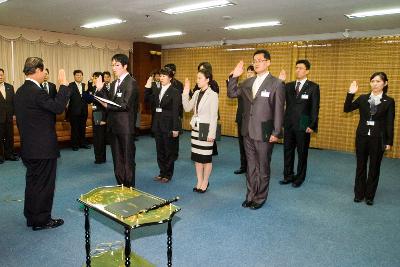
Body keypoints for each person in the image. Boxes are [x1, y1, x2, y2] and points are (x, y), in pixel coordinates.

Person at [14, 57, 71, 230]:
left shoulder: (20, 91)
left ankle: (32, 216)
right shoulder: (36, 92)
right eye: (44, 70)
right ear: (38, 70)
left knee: (33, 183)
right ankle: (42, 220)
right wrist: (63, 86)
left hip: (29, 148)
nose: (45, 73)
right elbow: (58, 107)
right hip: (42, 149)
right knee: (44, 186)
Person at [227, 49, 285, 209]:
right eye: (255, 60)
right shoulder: (248, 82)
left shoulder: (276, 84)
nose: (257, 63)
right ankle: (250, 195)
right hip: (247, 131)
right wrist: (235, 76)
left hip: (265, 132)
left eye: (260, 60)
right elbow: (231, 93)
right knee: (251, 166)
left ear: (268, 62)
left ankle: (260, 198)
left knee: (263, 167)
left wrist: (276, 132)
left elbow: (279, 110)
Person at [344, 72, 395, 206]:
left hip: (378, 139)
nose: (375, 84)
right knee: (360, 166)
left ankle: (369, 195)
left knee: (374, 167)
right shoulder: (362, 98)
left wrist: (389, 141)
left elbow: (390, 122)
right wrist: (350, 93)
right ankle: (359, 194)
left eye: (378, 81)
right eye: (372, 81)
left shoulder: (389, 101)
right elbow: (347, 108)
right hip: (361, 137)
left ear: (385, 83)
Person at [95, 54, 138, 187]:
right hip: (113, 126)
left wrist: (108, 105)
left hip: (125, 127)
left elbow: (126, 105)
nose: (114, 68)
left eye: (117, 65)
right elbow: (109, 100)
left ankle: (129, 186)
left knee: (127, 158)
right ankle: (120, 184)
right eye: (112, 65)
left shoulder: (131, 82)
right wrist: (100, 90)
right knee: (117, 158)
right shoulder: (114, 83)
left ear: (125, 66)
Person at [280, 59, 320, 188]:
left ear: (307, 71)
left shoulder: (313, 87)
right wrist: (281, 83)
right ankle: (288, 175)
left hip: (304, 123)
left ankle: (300, 177)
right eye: (296, 67)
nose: (298, 70)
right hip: (289, 122)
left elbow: (315, 107)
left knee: (302, 152)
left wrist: (312, 125)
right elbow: (280, 99)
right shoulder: (289, 86)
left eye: (301, 68)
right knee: (287, 150)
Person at [183, 69, 218, 193]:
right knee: (197, 158)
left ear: (207, 80)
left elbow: (214, 116)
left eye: (200, 78)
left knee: (206, 158)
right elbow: (187, 108)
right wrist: (186, 91)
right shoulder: (197, 93)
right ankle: (199, 180)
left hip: (206, 128)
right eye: (197, 78)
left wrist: (212, 134)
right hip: (196, 128)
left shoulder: (213, 95)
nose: (197, 80)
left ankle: (205, 181)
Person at [144, 67, 181, 183]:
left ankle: (168, 174)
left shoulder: (174, 92)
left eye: (164, 76)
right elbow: (147, 100)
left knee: (168, 150)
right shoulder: (157, 89)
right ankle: (162, 172)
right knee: (159, 150)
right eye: (161, 76)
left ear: (170, 78)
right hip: (158, 124)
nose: (161, 78)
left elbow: (176, 111)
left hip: (169, 125)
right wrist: (147, 87)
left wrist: (176, 128)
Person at [190, 62, 220, 156]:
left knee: (205, 152)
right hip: (198, 120)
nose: (198, 80)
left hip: (207, 118)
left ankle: (211, 150)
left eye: (202, 69)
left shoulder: (213, 85)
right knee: (197, 152)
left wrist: (211, 134)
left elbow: (213, 111)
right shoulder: (198, 89)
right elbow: (191, 102)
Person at [233, 65, 256, 174]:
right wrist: (233, 77)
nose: (249, 74)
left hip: (254, 121)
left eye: (251, 72)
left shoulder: (258, 87)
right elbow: (231, 92)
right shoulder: (242, 85)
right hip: (241, 119)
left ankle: (253, 167)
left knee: (253, 146)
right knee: (242, 144)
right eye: (248, 72)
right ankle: (243, 166)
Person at [67, 69, 90, 151]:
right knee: (75, 129)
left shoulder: (85, 85)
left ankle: (83, 143)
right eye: (77, 75)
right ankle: (75, 145)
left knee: (82, 128)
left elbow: (88, 98)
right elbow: (68, 97)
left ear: (82, 76)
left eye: (80, 75)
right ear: (74, 76)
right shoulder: (70, 85)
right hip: (74, 111)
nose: (79, 76)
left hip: (84, 111)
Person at [87, 72, 107, 164]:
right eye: (94, 78)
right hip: (96, 114)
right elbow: (88, 97)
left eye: (96, 78)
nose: (94, 79)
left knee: (100, 138)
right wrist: (90, 81)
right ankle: (99, 157)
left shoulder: (103, 89)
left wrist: (104, 119)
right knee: (97, 137)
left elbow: (106, 105)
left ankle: (101, 158)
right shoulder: (95, 88)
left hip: (100, 114)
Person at [0, 68, 19, 163]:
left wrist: (14, 114)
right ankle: (0, 156)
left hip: (9, 118)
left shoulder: (10, 87)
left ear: (4, 76)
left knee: (9, 137)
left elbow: (14, 102)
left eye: (1, 75)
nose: (0, 77)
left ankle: (9, 154)